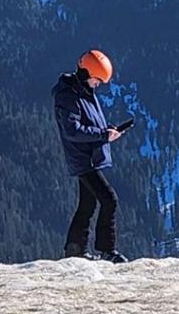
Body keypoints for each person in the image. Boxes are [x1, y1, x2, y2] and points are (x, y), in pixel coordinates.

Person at [52, 49, 128, 263]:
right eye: (97, 80)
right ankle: (107, 250)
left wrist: (107, 130)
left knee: (88, 203)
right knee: (109, 199)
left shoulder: (82, 91)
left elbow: (88, 123)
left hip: (90, 156)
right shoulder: (68, 96)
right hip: (84, 159)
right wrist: (104, 135)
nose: (98, 84)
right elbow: (73, 130)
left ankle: (74, 250)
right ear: (87, 74)